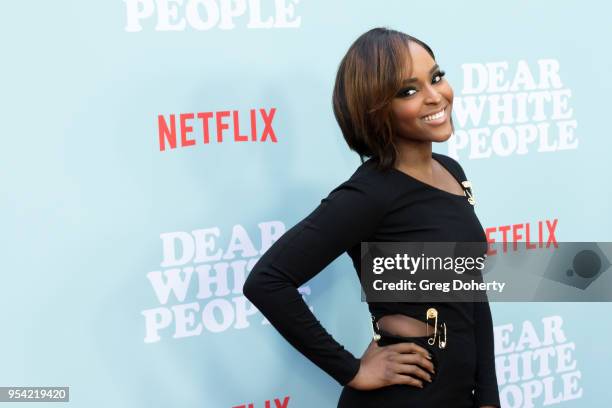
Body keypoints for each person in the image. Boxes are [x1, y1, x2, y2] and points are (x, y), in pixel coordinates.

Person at [243, 27, 501, 408]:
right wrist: (352, 370)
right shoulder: (369, 194)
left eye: (436, 77)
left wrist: (489, 397)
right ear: (376, 108)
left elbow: (471, 289)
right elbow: (267, 282)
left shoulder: (451, 170)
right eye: (409, 91)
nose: (435, 97)